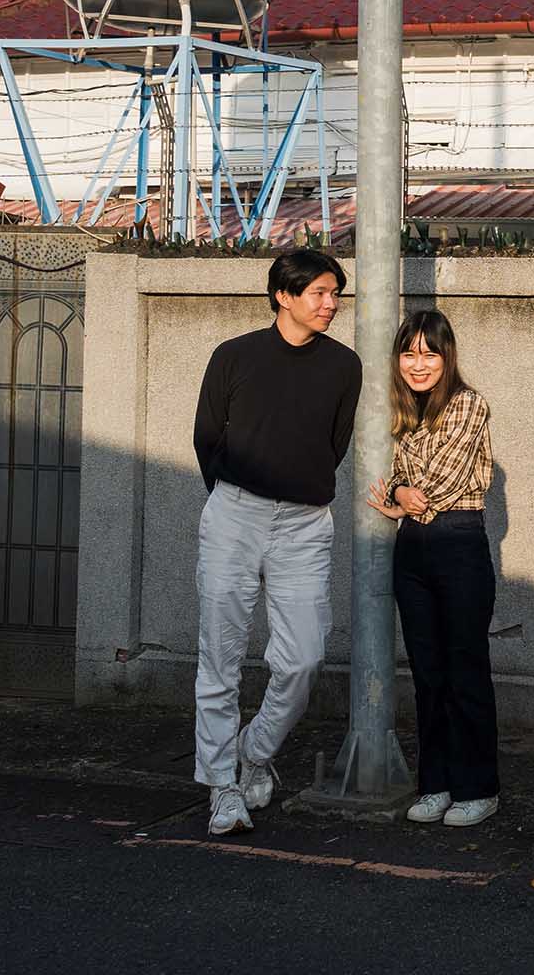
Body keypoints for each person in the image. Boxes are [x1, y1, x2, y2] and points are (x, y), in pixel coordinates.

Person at [191, 247, 362, 837]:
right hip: (234, 514)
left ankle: (254, 751)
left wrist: (294, 489)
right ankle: (221, 788)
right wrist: (239, 496)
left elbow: (334, 444)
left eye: (335, 293)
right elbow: (207, 437)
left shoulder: (345, 366)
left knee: (304, 657)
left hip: (306, 522)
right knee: (220, 657)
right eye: (319, 292)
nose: (331, 303)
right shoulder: (233, 356)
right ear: (283, 295)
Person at [366, 309, 501, 828]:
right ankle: (437, 783)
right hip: (414, 550)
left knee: (465, 668)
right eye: (408, 352)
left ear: (448, 357)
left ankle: (478, 787)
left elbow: (440, 482)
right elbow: (402, 478)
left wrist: (406, 496)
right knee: (427, 672)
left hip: (459, 542)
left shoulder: (468, 404)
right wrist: (402, 492)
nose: (417, 364)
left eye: (429, 353)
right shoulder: (407, 410)